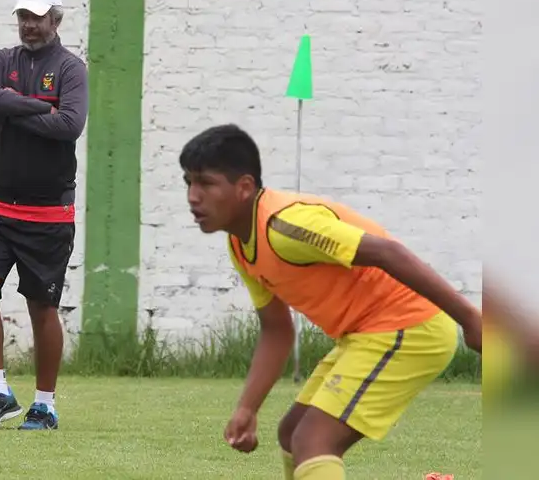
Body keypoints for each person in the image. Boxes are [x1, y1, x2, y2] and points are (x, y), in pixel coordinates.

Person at [178, 124, 482, 480]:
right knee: (293, 435)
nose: (193, 196)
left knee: (314, 441)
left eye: (206, 183)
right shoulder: (240, 244)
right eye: (188, 182)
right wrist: (248, 408)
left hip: (409, 327)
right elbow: (276, 330)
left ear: (244, 187)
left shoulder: (285, 225)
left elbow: (388, 252)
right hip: (366, 334)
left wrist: (471, 319)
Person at [0, 0, 89, 431]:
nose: (28, 25)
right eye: (23, 16)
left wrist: (14, 107)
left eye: (36, 17)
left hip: (48, 212)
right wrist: (41, 108)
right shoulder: (1, 60)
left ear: (56, 18)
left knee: (41, 307)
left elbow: (70, 125)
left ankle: (45, 404)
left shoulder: (72, 69)